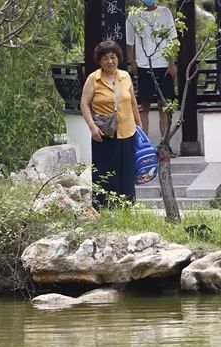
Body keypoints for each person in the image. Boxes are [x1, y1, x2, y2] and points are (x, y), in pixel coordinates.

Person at [80, 40, 142, 207]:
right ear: (100, 61)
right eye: (105, 58)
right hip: (103, 133)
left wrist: (139, 126)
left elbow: (133, 102)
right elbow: (84, 104)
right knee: (105, 172)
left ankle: (127, 207)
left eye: (113, 57)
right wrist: (92, 127)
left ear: (118, 58)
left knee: (127, 172)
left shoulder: (125, 76)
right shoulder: (93, 79)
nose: (110, 61)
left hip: (127, 132)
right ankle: (103, 208)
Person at [126, 0, 177, 139]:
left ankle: (165, 144)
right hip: (144, 65)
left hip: (164, 65)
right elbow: (129, 43)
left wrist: (172, 64)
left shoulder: (165, 12)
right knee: (144, 107)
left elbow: (173, 39)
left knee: (164, 107)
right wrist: (132, 62)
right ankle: (145, 142)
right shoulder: (133, 15)